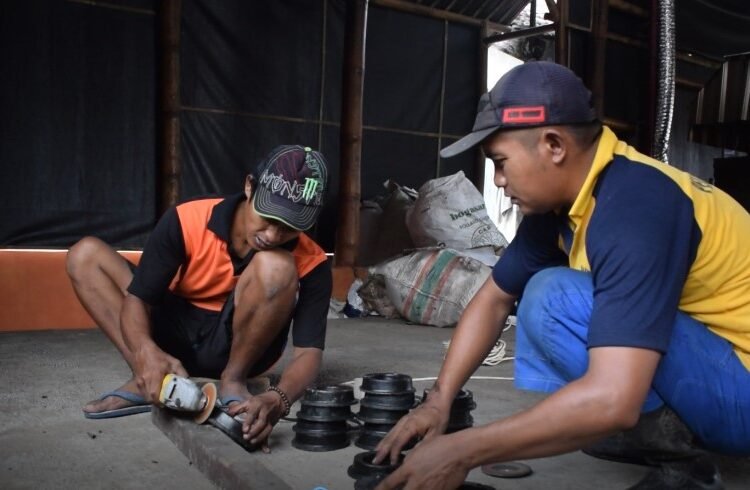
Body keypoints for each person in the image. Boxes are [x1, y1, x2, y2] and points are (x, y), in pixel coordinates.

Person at [373, 61, 750, 489]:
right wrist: (439, 401)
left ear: (553, 145)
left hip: (745, 392)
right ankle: (653, 435)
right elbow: (494, 298)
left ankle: (687, 469)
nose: (497, 181)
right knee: (542, 293)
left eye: (500, 162)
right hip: (717, 363)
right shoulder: (566, 204)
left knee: (556, 298)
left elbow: (614, 397)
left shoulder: (637, 208)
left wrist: (464, 450)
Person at [67, 144, 332, 450]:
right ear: (249, 187)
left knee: (277, 264)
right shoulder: (187, 219)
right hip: (172, 327)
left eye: (289, 227)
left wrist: (279, 398)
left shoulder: (312, 260)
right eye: (268, 217)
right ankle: (148, 377)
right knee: (84, 254)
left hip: (240, 346)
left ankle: (233, 381)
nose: (272, 235)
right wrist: (143, 350)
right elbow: (138, 299)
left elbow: (308, 354)